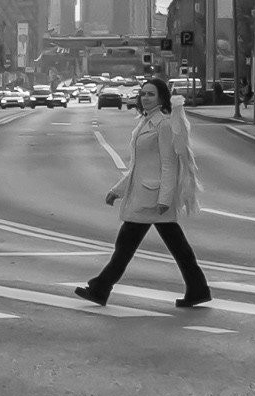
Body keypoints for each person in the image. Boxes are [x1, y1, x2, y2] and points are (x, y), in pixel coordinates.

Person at [74, 75, 210, 308]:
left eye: (151, 94)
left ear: (162, 98)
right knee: (175, 247)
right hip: (145, 194)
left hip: (153, 198)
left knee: (126, 246)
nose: (145, 98)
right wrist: (117, 190)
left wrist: (165, 199)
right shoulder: (147, 122)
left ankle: (100, 288)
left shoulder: (164, 124)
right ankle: (198, 289)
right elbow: (139, 166)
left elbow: (169, 164)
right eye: (143, 94)